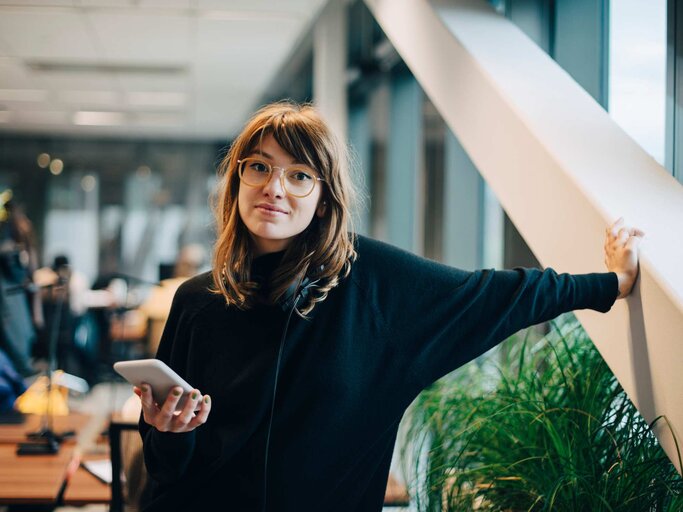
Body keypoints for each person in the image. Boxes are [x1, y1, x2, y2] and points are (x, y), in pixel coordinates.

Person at [134, 102, 644, 511]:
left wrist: (612, 283)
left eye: (299, 175)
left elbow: (498, 294)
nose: (274, 188)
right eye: (260, 168)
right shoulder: (197, 302)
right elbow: (164, 467)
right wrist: (169, 432)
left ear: (324, 198)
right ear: (237, 181)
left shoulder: (372, 285)